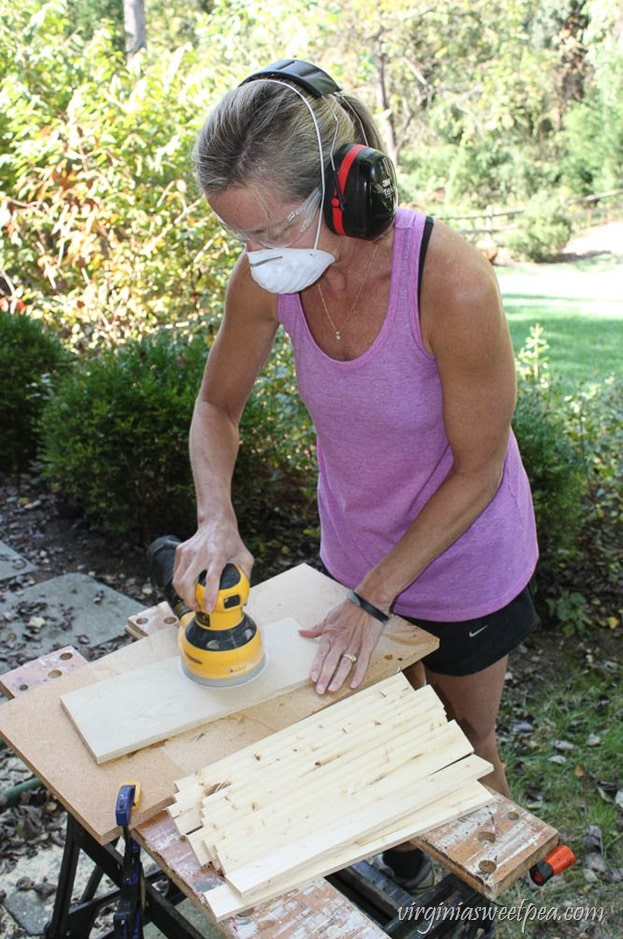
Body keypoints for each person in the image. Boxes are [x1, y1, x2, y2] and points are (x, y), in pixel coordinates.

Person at [172, 58, 539, 892]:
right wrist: (214, 517)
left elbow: (478, 469)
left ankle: (487, 902)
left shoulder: (450, 282)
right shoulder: (270, 277)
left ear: (347, 190)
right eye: (240, 237)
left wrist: (375, 598)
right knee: (383, 727)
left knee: (457, 745)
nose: (256, 255)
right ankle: (410, 854)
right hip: (356, 553)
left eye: (271, 229)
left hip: (463, 561)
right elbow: (215, 408)